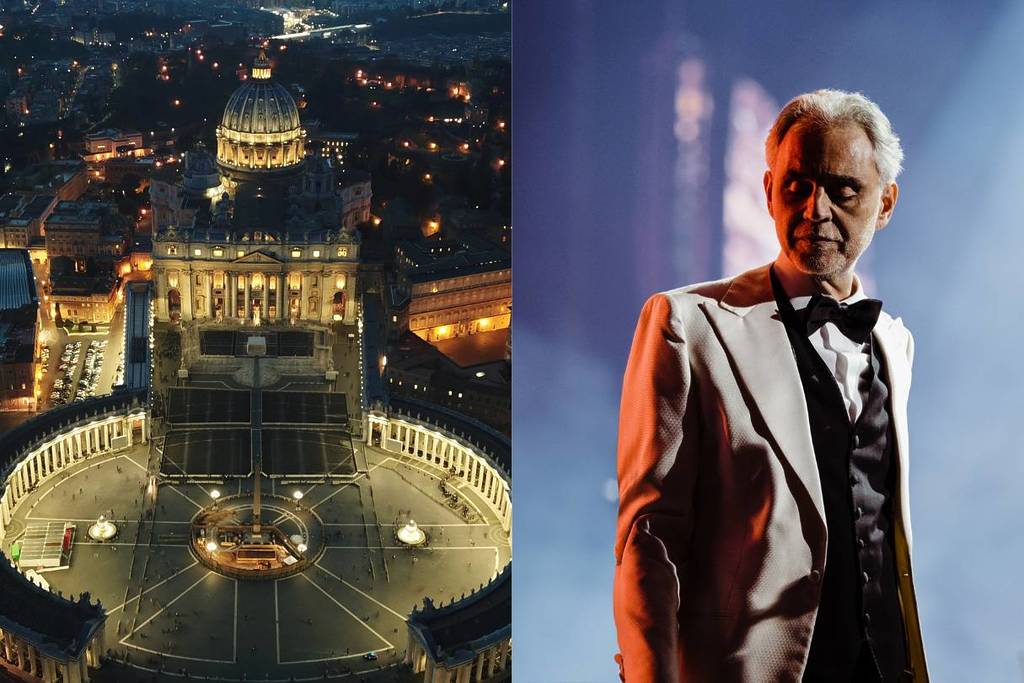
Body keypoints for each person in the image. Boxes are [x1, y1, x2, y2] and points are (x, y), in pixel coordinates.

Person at [613, 90, 928, 682]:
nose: (815, 209)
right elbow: (649, 540)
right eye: (797, 185)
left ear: (885, 203)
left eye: (843, 189)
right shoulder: (686, 324)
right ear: (767, 191)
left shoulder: (895, 342)